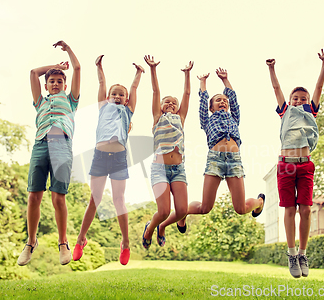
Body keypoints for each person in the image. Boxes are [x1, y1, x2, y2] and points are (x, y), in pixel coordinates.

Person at [266, 47, 324, 278]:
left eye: (302, 98)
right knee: (290, 208)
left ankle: (303, 253)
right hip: (286, 164)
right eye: (295, 98)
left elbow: (319, 87)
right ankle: (291, 253)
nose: (298, 100)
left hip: (305, 165)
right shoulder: (285, 111)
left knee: (305, 209)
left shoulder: (310, 111)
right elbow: (276, 88)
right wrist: (272, 69)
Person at [73, 55, 144, 265]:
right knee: (94, 199)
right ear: (107, 97)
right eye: (114, 93)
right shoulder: (103, 107)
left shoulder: (128, 111)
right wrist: (99, 67)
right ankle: (80, 239)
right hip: (100, 156)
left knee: (118, 200)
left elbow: (134, 89)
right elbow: (102, 83)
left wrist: (138, 74)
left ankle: (125, 242)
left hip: (119, 157)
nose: (117, 96)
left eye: (121, 95)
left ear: (126, 99)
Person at [175, 68, 265, 234]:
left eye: (225, 100)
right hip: (215, 160)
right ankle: (183, 213)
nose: (223, 102)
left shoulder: (234, 117)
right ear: (211, 107)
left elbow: (234, 99)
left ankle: (259, 202)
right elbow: (202, 102)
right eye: (218, 100)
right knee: (205, 208)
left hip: (234, 161)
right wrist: (203, 82)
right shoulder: (207, 120)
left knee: (240, 208)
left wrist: (225, 80)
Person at [17, 40, 81, 266]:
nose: (55, 83)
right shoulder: (40, 102)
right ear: (46, 86)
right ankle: (30, 242)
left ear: (64, 85)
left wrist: (68, 53)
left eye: (59, 81)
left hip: (62, 145)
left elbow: (78, 69)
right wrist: (55, 66)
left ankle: (63, 243)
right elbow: (34, 73)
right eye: (52, 81)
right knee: (34, 195)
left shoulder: (71, 101)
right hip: (41, 144)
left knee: (58, 198)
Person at [141, 55, 193, 249]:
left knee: (181, 211)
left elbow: (187, 94)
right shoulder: (157, 118)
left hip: (178, 169)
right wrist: (153, 69)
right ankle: (150, 228)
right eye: (167, 102)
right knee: (163, 210)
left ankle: (162, 227)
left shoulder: (181, 117)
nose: (171, 104)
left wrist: (187, 74)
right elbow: (155, 90)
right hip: (159, 169)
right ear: (161, 106)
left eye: (174, 103)